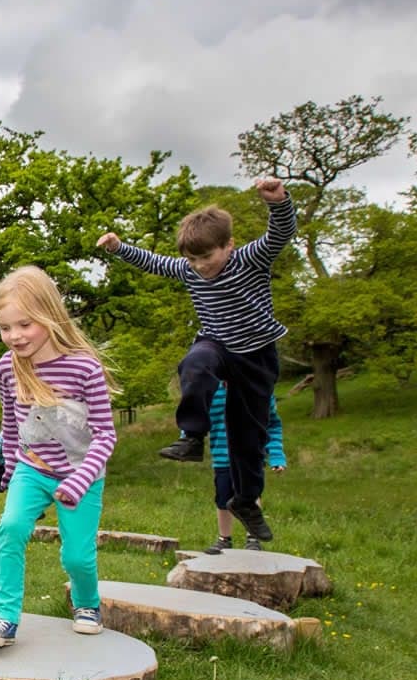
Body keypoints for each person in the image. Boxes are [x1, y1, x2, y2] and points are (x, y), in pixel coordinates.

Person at [97, 177, 295, 543]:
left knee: (248, 440)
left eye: (207, 257)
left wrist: (278, 201)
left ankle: (247, 501)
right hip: (217, 344)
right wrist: (119, 248)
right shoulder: (188, 269)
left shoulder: (250, 259)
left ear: (228, 245)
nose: (201, 266)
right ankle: (192, 435)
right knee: (194, 364)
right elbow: (155, 263)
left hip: (255, 355)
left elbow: (279, 235)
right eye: (193, 259)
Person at [0, 266, 117, 647]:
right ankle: (4, 618)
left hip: (82, 474)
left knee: (77, 558)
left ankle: (87, 604)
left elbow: (105, 436)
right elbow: (11, 422)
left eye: (25, 324)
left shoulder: (85, 367)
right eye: (5, 328)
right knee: (11, 529)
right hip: (32, 471)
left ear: (49, 315)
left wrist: (79, 480)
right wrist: (8, 473)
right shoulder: (7, 367)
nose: (14, 336)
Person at [202, 383, 286, 553]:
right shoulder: (210, 390)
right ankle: (224, 538)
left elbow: (272, 425)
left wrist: (276, 456)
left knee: (251, 495)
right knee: (223, 496)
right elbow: (197, 417)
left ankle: (253, 538)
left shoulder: (259, 389)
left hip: (251, 455)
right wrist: (187, 438)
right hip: (222, 456)